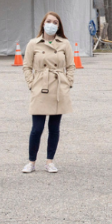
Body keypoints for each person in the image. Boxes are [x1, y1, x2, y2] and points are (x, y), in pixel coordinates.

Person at [21, 12, 75, 174]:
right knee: (37, 128)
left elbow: (71, 66)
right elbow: (26, 66)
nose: (51, 24)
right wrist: (31, 83)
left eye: (55, 22)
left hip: (59, 87)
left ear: (59, 27)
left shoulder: (64, 43)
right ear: (43, 24)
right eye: (49, 21)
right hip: (40, 87)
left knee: (54, 127)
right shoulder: (33, 43)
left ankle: (50, 161)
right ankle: (31, 161)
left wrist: (68, 82)